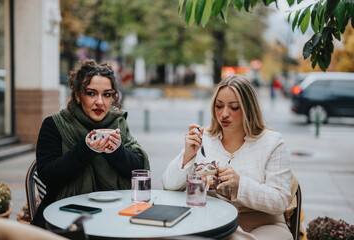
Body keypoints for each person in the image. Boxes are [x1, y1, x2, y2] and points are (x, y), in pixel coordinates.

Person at [162, 75, 292, 240]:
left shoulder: (272, 142)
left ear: (248, 108)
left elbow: (280, 201)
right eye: (219, 106)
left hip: (263, 222)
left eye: (234, 107)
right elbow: (169, 185)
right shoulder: (205, 138)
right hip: (214, 218)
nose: (224, 114)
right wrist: (188, 155)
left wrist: (240, 183)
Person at [32, 58, 150, 228]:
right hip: (65, 214)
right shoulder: (55, 124)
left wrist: (116, 151)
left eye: (107, 94)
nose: (100, 102)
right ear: (78, 96)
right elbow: (48, 175)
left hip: (115, 212)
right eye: (91, 93)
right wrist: (85, 149)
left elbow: (139, 170)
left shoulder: (118, 122)